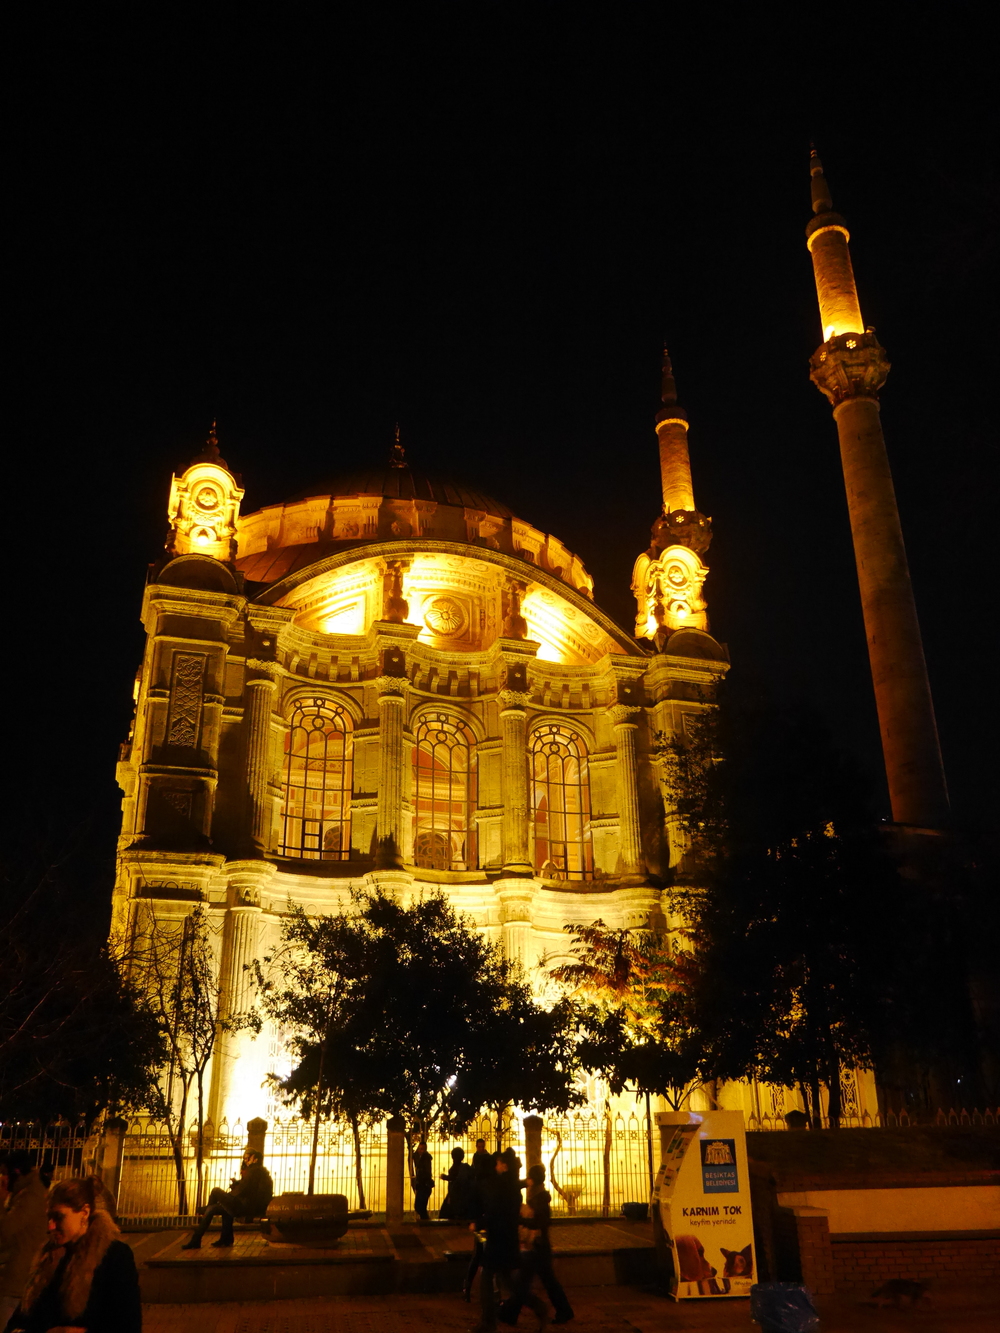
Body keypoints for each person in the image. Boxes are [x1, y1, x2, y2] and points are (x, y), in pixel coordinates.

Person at [5, 1175, 141, 1333]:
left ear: (84, 1212)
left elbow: (128, 1325)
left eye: (58, 1217)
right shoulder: (49, 1258)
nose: (50, 1226)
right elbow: (20, 1320)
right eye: (49, 1217)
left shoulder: (114, 1256)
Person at [469, 1149, 536, 1333]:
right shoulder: (510, 1185)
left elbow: (496, 1211)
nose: (496, 1166)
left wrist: (479, 1223)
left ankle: (488, 1322)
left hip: (499, 1238)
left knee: (486, 1277)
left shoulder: (505, 1185)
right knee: (507, 1280)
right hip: (507, 1238)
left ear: (505, 1166)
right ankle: (538, 1307)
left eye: (499, 1163)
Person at [501, 1164, 573, 1326]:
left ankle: (510, 1313)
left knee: (523, 1283)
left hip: (537, 1247)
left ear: (533, 1179)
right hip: (539, 1247)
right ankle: (563, 1311)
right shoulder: (539, 1197)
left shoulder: (539, 1199)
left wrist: (521, 1220)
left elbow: (540, 1222)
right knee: (537, 1281)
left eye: (529, 1177)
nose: (527, 1181)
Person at [181, 1148, 273, 1250]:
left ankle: (205, 1216)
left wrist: (228, 1196)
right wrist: (236, 1185)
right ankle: (224, 1239)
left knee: (216, 1191)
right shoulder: (257, 1171)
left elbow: (242, 1191)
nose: (245, 1161)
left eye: (248, 1158)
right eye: (244, 1159)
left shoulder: (254, 1171)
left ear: (255, 1159)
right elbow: (247, 1188)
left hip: (245, 1207)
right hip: (247, 1205)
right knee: (213, 1210)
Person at [0, 1153, 49, 1332]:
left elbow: (5, 1229)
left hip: (16, 1280)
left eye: (4, 1173)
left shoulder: (30, 1196)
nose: (2, 1178)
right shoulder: (23, 1193)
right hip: (11, 1275)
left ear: (16, 1172)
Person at [440, 1147, 475, 1221]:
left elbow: (452, 1178)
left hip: (455, 1194)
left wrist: (444, 1177)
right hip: (464, 1195)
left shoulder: (455, 1167)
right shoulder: (465, 1167)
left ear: (452, 1156)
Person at [411, 1140, 434, 1221]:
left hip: (425, 1185)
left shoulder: (426, 1158)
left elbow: (426, 1172)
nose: (420, 1151)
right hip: (421, 1185)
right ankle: (425, 1221)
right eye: (419, 1149)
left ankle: (426, 1221)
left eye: (422, 1149)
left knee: (420, 1206)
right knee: (419, 1206)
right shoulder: (419, 1157)